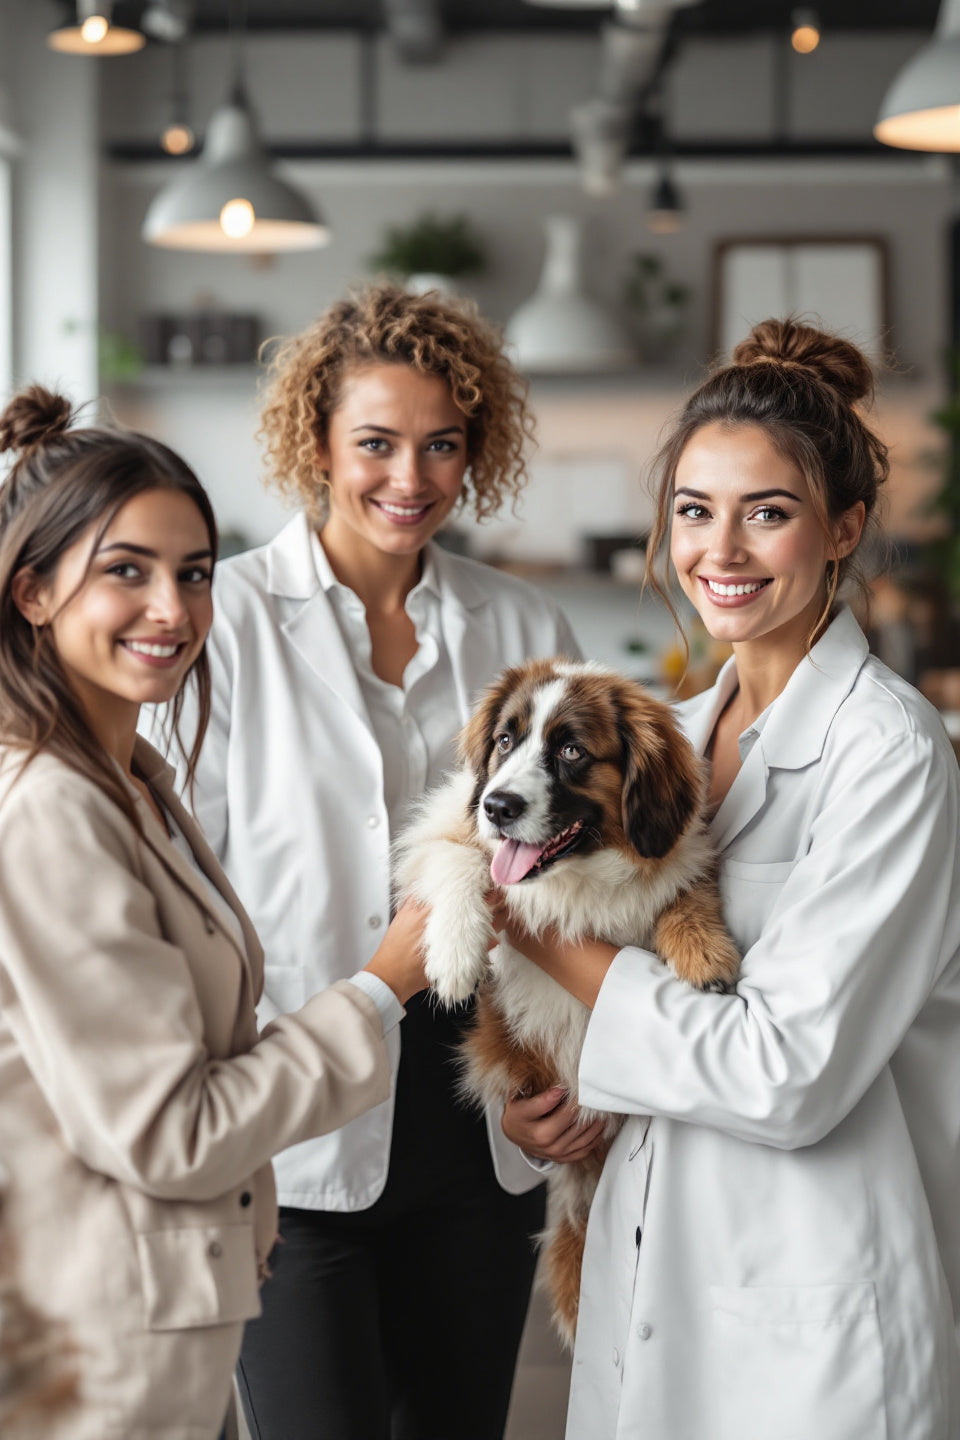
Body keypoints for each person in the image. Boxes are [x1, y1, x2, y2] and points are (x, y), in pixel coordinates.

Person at [151, 282, 593, 1440]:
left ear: (476, 452)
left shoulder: (525, 629)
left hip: (479, 1118)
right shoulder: (221, 620)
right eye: (377, 444)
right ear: (316, 444)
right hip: (294, 1134)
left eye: (442, 445)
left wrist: (570, 1072)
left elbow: (579, 883)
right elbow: (177, 888)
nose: (411, 478)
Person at [504, 319, 960, 1440]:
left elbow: (788, 1072)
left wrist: (537, 936)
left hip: (810, 1303)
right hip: (655, 1276)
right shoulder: (678, 737)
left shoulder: (887, 752)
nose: (723, 550)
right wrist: (546, 1108)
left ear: (844, 529)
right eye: (695, 511)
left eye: (770, 512)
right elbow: (619, 1020)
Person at [0, 386, 429, 1440]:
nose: (173, 610)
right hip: (97, 1349)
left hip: (163, 1315)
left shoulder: (129, 775)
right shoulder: (49, 809)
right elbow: (173, 1131)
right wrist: (385, 984)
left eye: (194, 574)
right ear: (34, 594)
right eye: (125, 572)